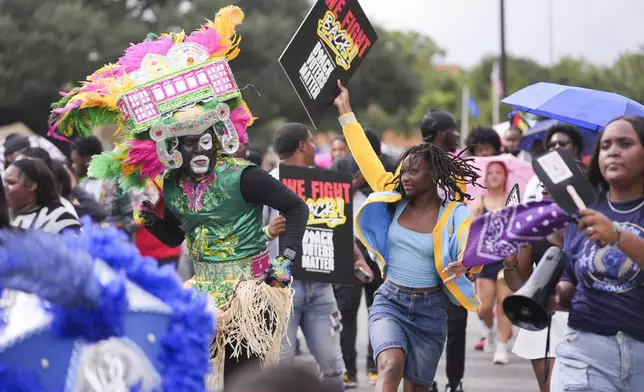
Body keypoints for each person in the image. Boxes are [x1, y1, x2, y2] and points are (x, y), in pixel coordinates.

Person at [46, 6, 309, 386]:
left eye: (203, 140)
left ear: (217, 136)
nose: (197, 151)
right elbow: (175, 236)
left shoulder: (244, 176)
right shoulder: (170, 185)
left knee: (240, 379)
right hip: (201, 290)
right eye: (186, 144)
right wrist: (150, 218)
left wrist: (284, 262)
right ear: (171, 148)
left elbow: (296, 207)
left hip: (249, 294)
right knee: (190, 373)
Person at [333, 80, 481, 392]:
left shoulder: (455, 215)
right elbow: (365, 155)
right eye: (404, 170)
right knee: (390, 366)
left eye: (414, 171)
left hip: (431, 310)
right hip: (390, 300)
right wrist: (346, 111)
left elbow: (472, 249)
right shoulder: (392, 196)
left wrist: (467, 265)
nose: (405, 176)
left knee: (417, 388)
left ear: (433, 176)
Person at [548, 115, 644, 392]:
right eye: (606, 145)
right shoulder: (583, 212)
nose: (613, 151)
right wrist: (555, 293)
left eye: (625, 143)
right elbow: (570, 282)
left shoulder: (600, 221)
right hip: (587, 353)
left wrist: (617, 236)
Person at [263, 122, 347, 390]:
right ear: (302, 145)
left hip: (321, 288)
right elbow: (248, 236)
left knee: (333, 369)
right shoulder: (267, 183)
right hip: (281, 291)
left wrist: (353, 256)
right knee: (280, 370)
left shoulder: (323, 181)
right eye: (312, 142)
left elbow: (338, 226)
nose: (314, 147)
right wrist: (268, 231)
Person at [507, 123, 584, 391]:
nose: (543, 191)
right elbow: (519, 285)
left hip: (586, 320)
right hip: (544, 321)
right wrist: (510, 259)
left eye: (549, 185)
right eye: (542, 186)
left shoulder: (591, 226)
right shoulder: (534, 230)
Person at [331, 128, 394, 387]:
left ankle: (374, 363)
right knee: (346, 309)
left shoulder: (388, 167)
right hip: (346, 244)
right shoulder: (341, 166)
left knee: (377, 309)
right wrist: (354, 182)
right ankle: (347, 368)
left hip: (378, 246)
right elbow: (330, 198)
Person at [468, 162, 513, 364]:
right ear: (486, 177)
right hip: (484, 262)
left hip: (507, 261)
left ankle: (502, 347)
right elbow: (469, 233)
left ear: (505, 176)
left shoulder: (513, 201)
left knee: (504, 304)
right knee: (483, 308)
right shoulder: (479, 202)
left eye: (499, 172)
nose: (494, 176)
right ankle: (490, 329)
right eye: (491, 172)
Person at [5, 158, 81, 233]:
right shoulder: (5, 216)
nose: (4, 187)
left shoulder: (60, 219)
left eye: (11, 183)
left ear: (32, 185)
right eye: (4, 182)